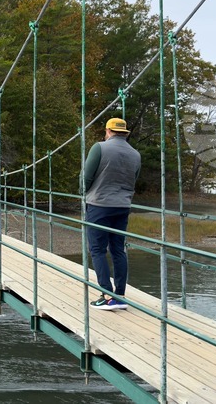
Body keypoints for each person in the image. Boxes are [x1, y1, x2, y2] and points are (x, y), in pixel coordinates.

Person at [83, 117, 141, 311]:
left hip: (99, 205)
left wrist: (83, 192)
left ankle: (107, 295)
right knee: (118, 249)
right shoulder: (135, 154)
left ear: (108, 131)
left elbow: (86, 177)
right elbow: (134, 179)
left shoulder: (99, 148)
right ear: (125, 133)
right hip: (122, 207)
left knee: (98, 249)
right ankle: (120, 296)